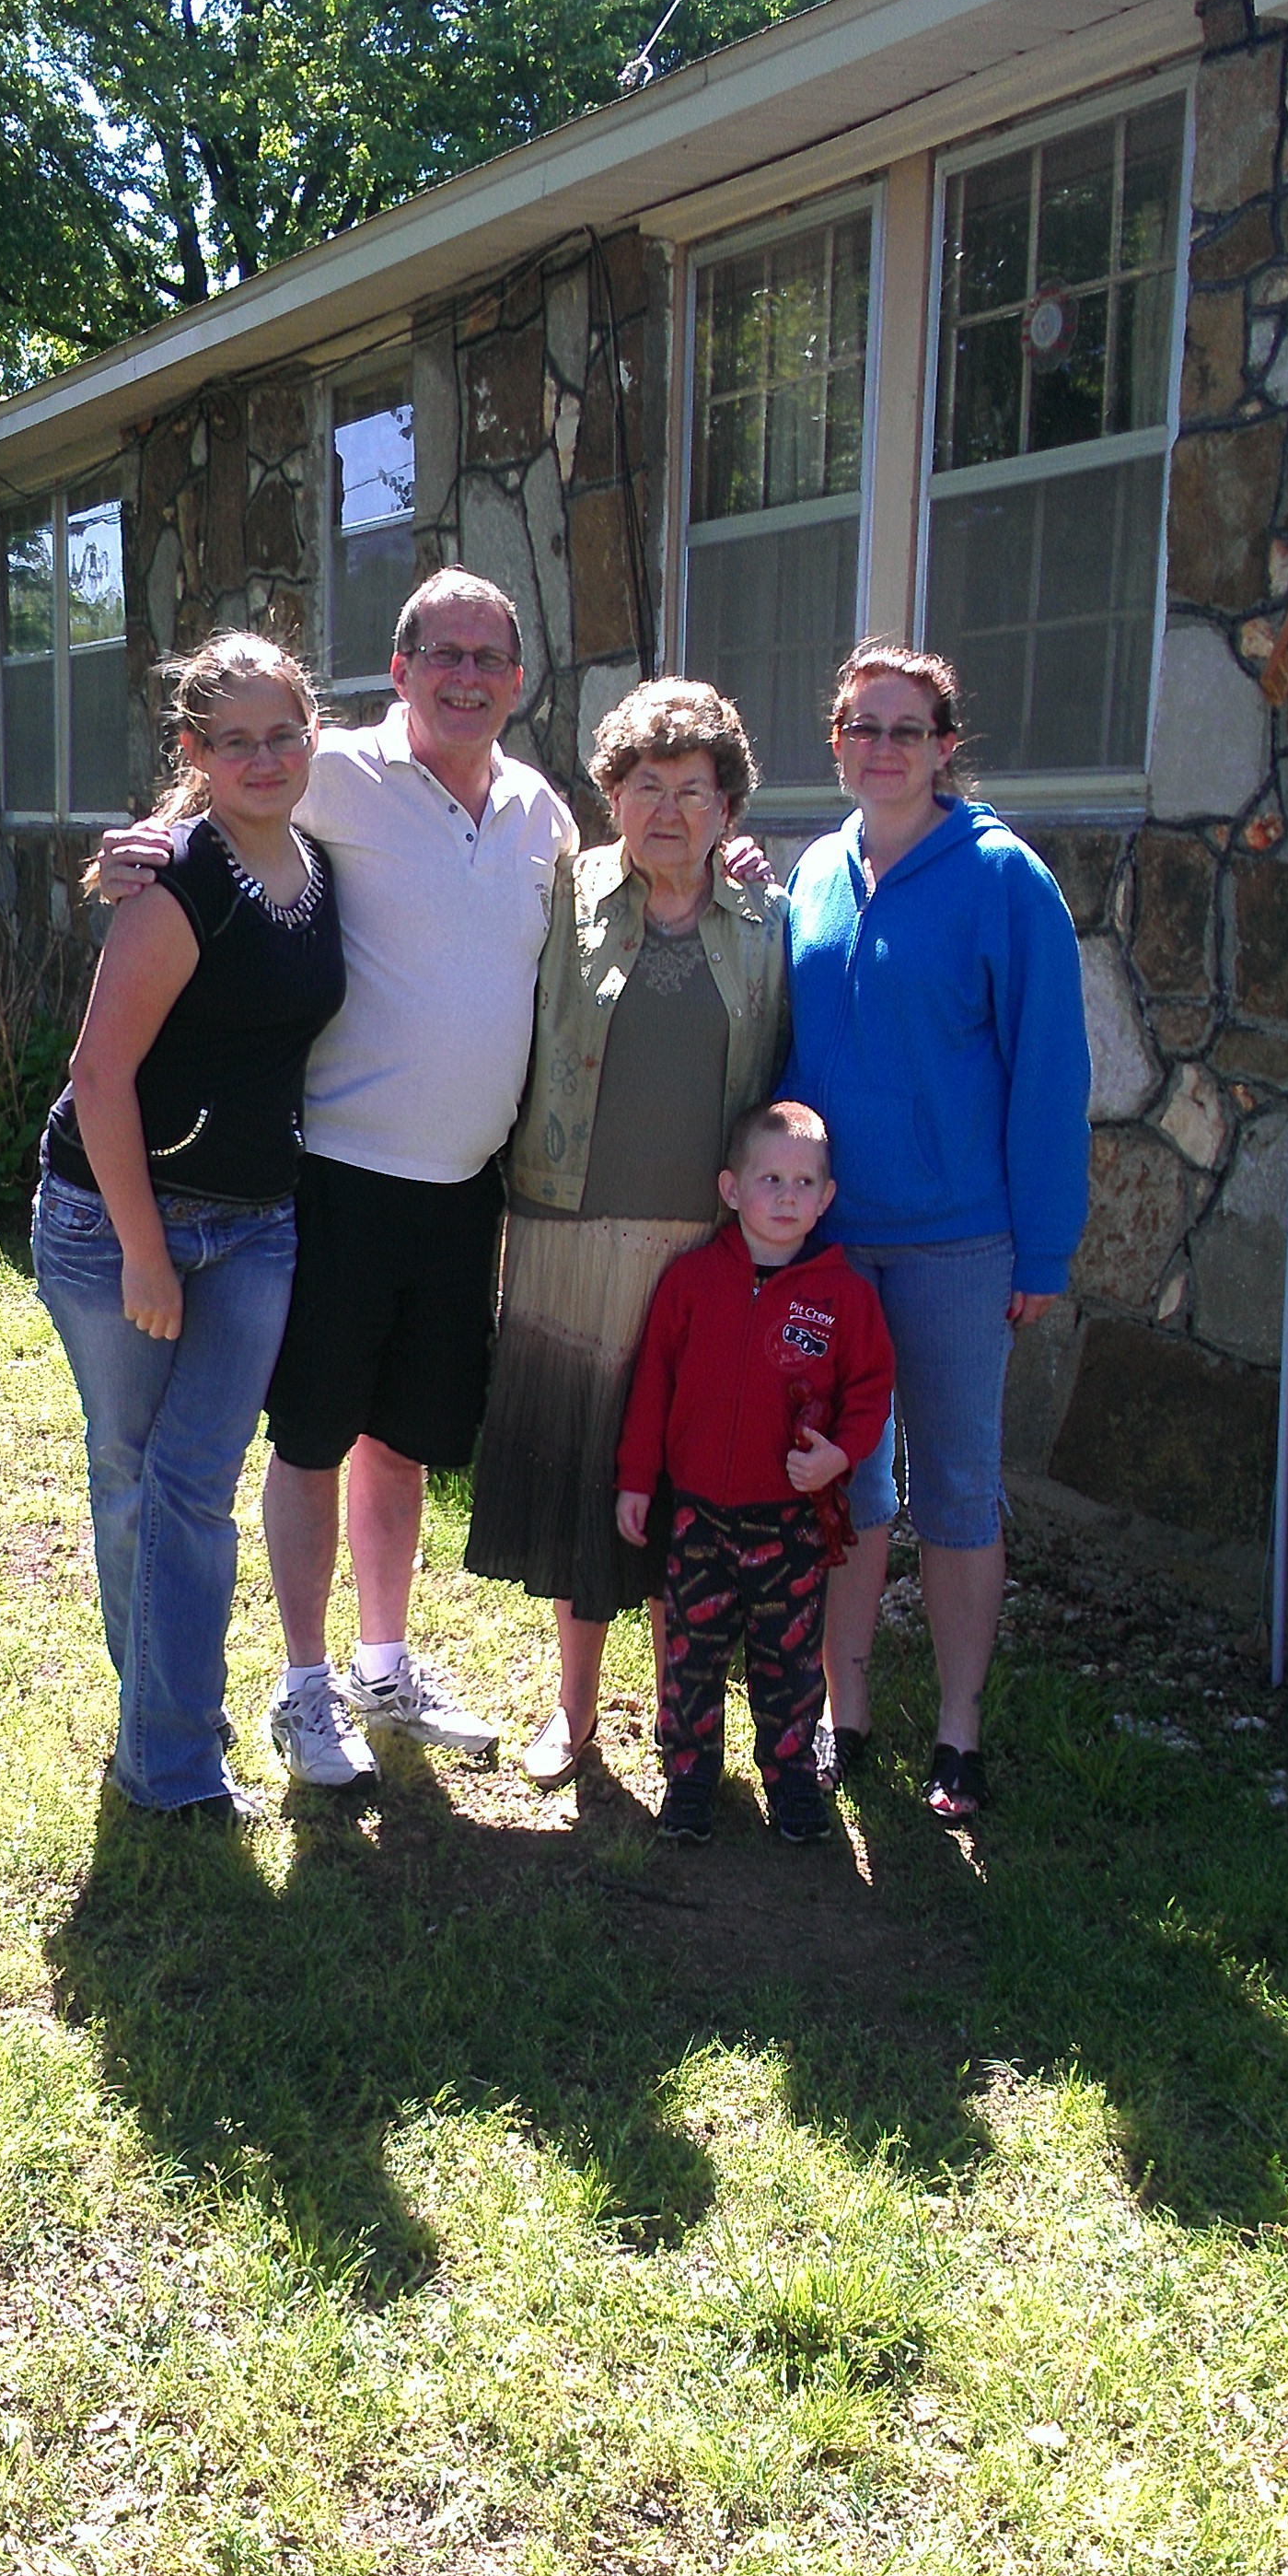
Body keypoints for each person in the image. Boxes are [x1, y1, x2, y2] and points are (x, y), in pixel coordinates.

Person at [100, 569, 579, 1789]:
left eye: (489, 657)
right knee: (312, 1440)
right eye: (443, 655)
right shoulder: (335, 772)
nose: (466, 677)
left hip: (464, 1188)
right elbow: (221, 805)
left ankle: (383, 1667)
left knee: (402, 1441)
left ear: (518, 681)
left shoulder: (541, 813)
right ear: (400, 669)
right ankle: (304, 1686)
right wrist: (131, 853)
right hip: (339, 1181)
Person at [34, 632, 344, 1820]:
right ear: (193, 751)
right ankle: (168, 1750)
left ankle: (160, 1738)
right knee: (133, 1471)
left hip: (256, 1225)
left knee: (191, 1485)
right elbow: (98, 1078)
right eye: (235, 741)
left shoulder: (317, 864)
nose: (264, 759)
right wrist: (145, 1254)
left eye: (283, 736)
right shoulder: (176, 885)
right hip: (116, 1218)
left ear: (311, 738)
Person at [781, 640, 1090, 1824]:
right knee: (845, 1485)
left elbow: (1048, 1076)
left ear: (944, 747)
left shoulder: (1005, 880)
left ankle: (958, 1734)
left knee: (956, 1489)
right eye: (861, 727)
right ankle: (842, 1712)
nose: (882, 748)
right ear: (836, 742)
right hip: (832, 1245)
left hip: (959, 1246)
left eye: (905, 729)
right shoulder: (815, 872)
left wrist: (1042, 1248)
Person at [465, 680, 789, 1789]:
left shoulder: (766, 924)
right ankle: (572, 1709)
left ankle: (677, 1708)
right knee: (585, 1475)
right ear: (612, 796)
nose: (668, 811)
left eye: (693, 790)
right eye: (646, 786)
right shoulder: (561, 895)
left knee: (684, 1482)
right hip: (570, 1233)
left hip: (703, 1252)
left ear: (727, 807)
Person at [615, 1099, 894, 1847]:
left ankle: (791, 1778)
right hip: (699, 1516)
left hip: (791, 1522)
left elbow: (871, 1393)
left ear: (827, 1198)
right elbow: (653, 1387)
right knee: (692, 1656)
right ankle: (689, 1775)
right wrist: (637, 1479)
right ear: (731, 1188)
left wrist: (839, 1455)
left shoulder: (845, 1298)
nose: (787, 1197)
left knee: (789, 1662)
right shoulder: (691, 1282)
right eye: (770, 1179)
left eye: (805, 1183)